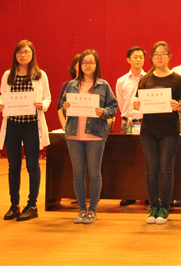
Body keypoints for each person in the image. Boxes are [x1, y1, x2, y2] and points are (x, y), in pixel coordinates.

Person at [61, 49, 118, 224]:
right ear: (79, 65)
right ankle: (81, 209)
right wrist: (66, 106)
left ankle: (92, 209)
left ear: (96, 65)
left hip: (95, 135)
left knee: (94, 173)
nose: (87, 65)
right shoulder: (71, 85)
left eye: (91, 62)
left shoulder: (103, 85)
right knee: (78, 174)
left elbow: (113, 107)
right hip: (74, 135)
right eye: (84, 62)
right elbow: (63, 106)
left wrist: (103, 112)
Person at [133, 41, 181, 225]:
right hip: (148, 130)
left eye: (163, 54)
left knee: (166, 169)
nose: (160, 57)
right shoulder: (145, 79)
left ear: (169, 57)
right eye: (156, 54)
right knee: (151, 170)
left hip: (169, 130)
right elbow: (139, 102)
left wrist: (178, 105)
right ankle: (154, 206)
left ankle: (165, 207)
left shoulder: (177, 79)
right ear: (152, 58)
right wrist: (137, 104)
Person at [0, 40, 51, 222]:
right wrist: (1, 104)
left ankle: (32, 205)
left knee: (32, 166)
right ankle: (14, 204)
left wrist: (42, 105)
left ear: (32, 54)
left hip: (31, 126)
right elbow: (3, 95)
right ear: (15, 55)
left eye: (26, 52)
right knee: (13, 166)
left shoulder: (40, 75)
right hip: (12, 126)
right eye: (19, 52)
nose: (23, 55)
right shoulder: (8, 75)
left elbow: (47, 97)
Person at [115, 46, 146, 206]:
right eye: (135, 57)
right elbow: (121, 103)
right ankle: (129, 194)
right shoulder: (121, 81)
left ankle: (146, 194)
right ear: (128, 60)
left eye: (141, 57)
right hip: (127, 122)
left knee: (146, 159)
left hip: (145, 122)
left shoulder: (149, 78)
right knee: (128, 160)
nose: (138, 60)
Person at [57, 53, 80, 131]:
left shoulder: (92, 85)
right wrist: (65, 127)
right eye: (80, 63)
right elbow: (60, 107)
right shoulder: (68, 85)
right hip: (71, 127)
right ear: (74, 66)